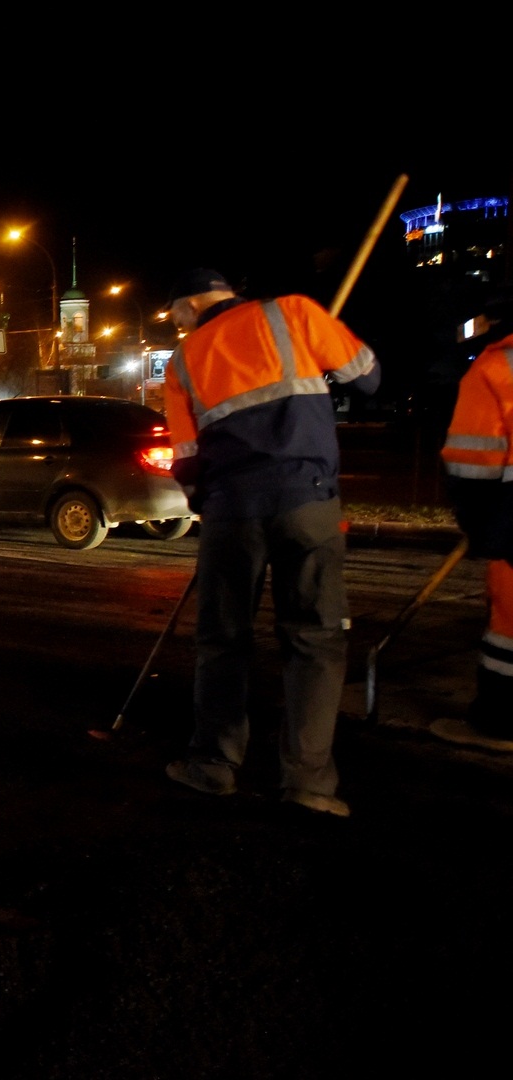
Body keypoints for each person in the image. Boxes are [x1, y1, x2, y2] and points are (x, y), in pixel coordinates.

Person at [158, 268, 380, 817]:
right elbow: (367, 376)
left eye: (175, 314)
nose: (177, 324)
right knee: (314, 640)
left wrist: (204, 500)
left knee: (223, 639)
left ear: (189, 304)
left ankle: (213, 765)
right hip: (308, 499)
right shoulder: (295, 314)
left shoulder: (185, 361)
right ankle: (307, 783)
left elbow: (186, 461)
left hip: (232, 509)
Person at [429, 316, 512, 752]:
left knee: (510, 633)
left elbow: (471, 466)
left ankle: (501, 722)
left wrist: (482, 529)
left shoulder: (497, 368)